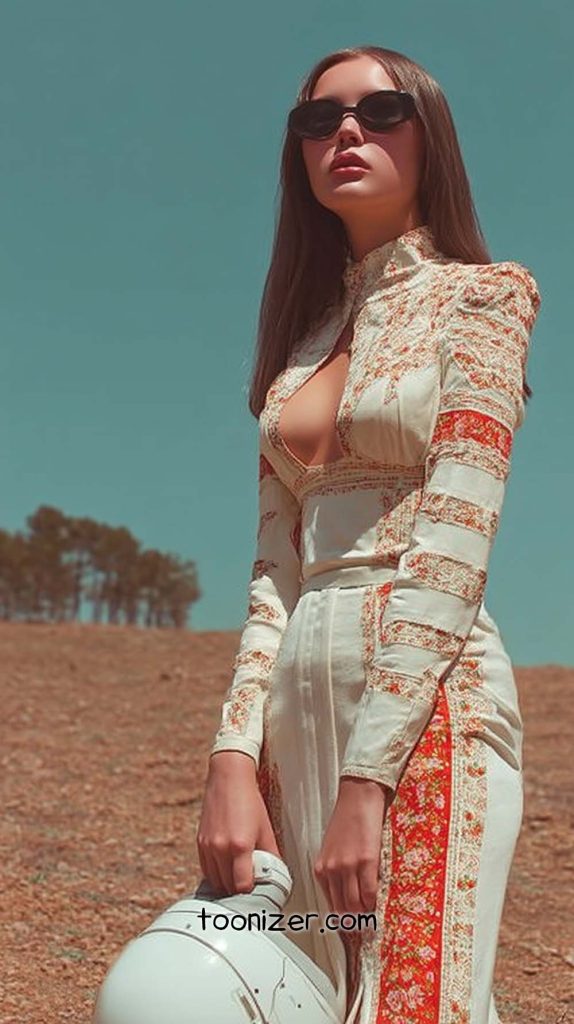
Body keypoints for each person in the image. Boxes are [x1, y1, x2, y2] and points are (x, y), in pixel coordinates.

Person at [197, 44, 542, 1024]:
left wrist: (367, 781)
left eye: (380, 111)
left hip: (423, 698)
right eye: (319, 120)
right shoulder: (294, 347)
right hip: (293, 697)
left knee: (410, 1007)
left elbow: (456, 537)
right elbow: (275, 572)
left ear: (428, 136)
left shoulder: (484, 296)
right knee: (300, 1007)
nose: (346, 132)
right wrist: (230, 758)